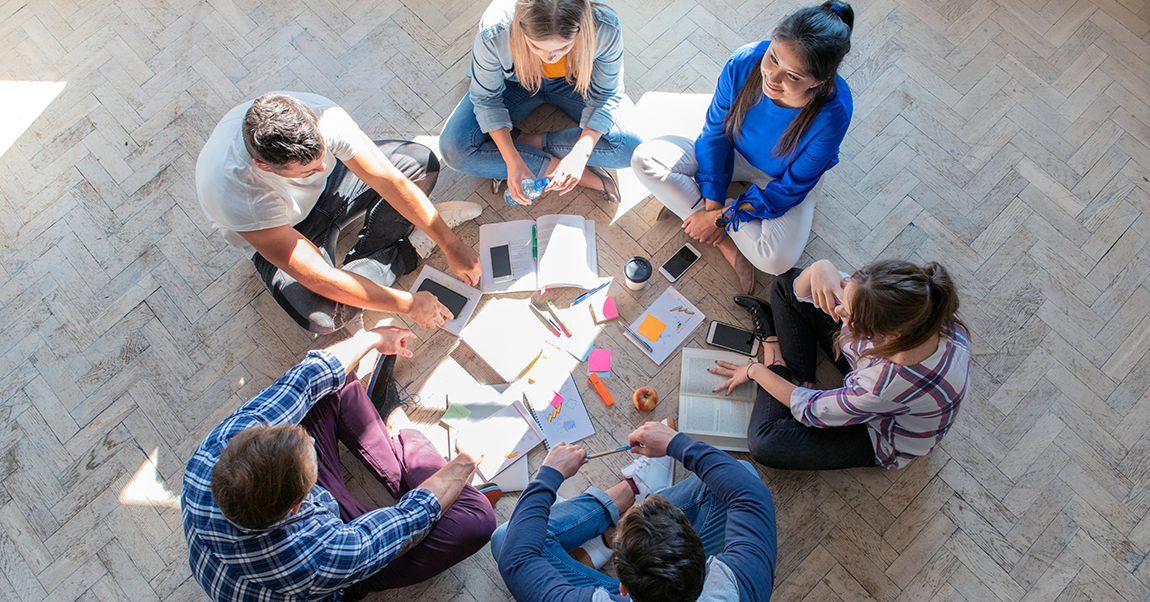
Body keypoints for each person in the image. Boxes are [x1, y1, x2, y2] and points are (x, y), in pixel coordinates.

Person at [182, 325, 498, 601]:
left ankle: (403, 440)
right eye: (312, 463)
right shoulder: (317, 557)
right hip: (329, 573)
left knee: (333, 381)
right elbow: (412, 517)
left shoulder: (215, 452)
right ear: (298, 505)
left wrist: (375, 337)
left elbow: (305, 380)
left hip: (287, 528)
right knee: (475, 519)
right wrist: (466, 460)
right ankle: (402, 433)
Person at [197, 92, 483, 334]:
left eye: (322, 156)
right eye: (308, 171)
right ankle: (405, 253)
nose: (321, 169)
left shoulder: (322, 117)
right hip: (284, 230)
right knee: (323, 316)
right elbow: (319, 277)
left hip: (334, 190)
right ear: (264, 166)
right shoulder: (235, 195)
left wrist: (451, 243)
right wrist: (408, 304)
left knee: (419, 163)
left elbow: (390, 181)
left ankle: (362, 287)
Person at [632, 1, 855, 294]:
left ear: (820, 81)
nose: (772, 79)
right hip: (733, 149)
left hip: (782, 178)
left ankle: (701, 214)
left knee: (777, 261)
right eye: (773, 58)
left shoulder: (833, 113)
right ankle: (726, 240)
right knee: (644, 159)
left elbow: (789, 190)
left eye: (793, 76)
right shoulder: (744, 60)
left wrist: (718, 218)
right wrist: (714, 209)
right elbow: (714, 134)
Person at [712, 258, 970, 470]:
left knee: (764, 444)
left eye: (848, 314)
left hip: (880, 429)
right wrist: (820, 268)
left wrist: (755, 370)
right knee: (784, 284)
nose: (838, 313)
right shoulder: (924, 308)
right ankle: (799, 377)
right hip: (875, 374)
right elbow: (795, 289)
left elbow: (813, 408)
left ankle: (775, 359)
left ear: (884, 333)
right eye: (847, 288)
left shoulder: (882, 384)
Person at [493, 422, 777, 602]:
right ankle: (621, 510)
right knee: (741, 473)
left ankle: (621, 499)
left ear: (623, 589)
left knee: (507, 535)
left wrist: (549, 475)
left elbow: (515, 557)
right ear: (703, 556)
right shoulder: (742, 583)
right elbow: (748, 491)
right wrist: (674, 442)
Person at [440, 0, 642, 205]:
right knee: (454, 150)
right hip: (515, 84)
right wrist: (512, 159)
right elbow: (486, 98)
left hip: (575, 83)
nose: (550, 58)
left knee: (633, 148)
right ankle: (581, 176)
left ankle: (522, 143)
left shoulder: (604, 26)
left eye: (564, 47)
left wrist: (581, 154)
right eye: (536, 46)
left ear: (582, 28)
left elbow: (606, 93)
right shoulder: (496, 29)